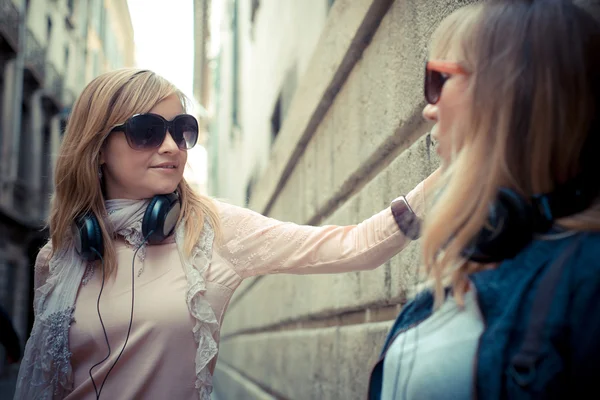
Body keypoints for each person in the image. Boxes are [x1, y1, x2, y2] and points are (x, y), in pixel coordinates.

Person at [13, 67, 439, 399]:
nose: (170, 146)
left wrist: (455, 172)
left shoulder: (211, 230)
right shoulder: (57, 258)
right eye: (146, 131)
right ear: (99, 147)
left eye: (180, 129)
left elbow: (354, 247)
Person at [368, 0, 600, 398]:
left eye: (439, 80)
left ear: (512, 92)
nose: (428, 109)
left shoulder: (588, 277)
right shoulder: (464, 268)